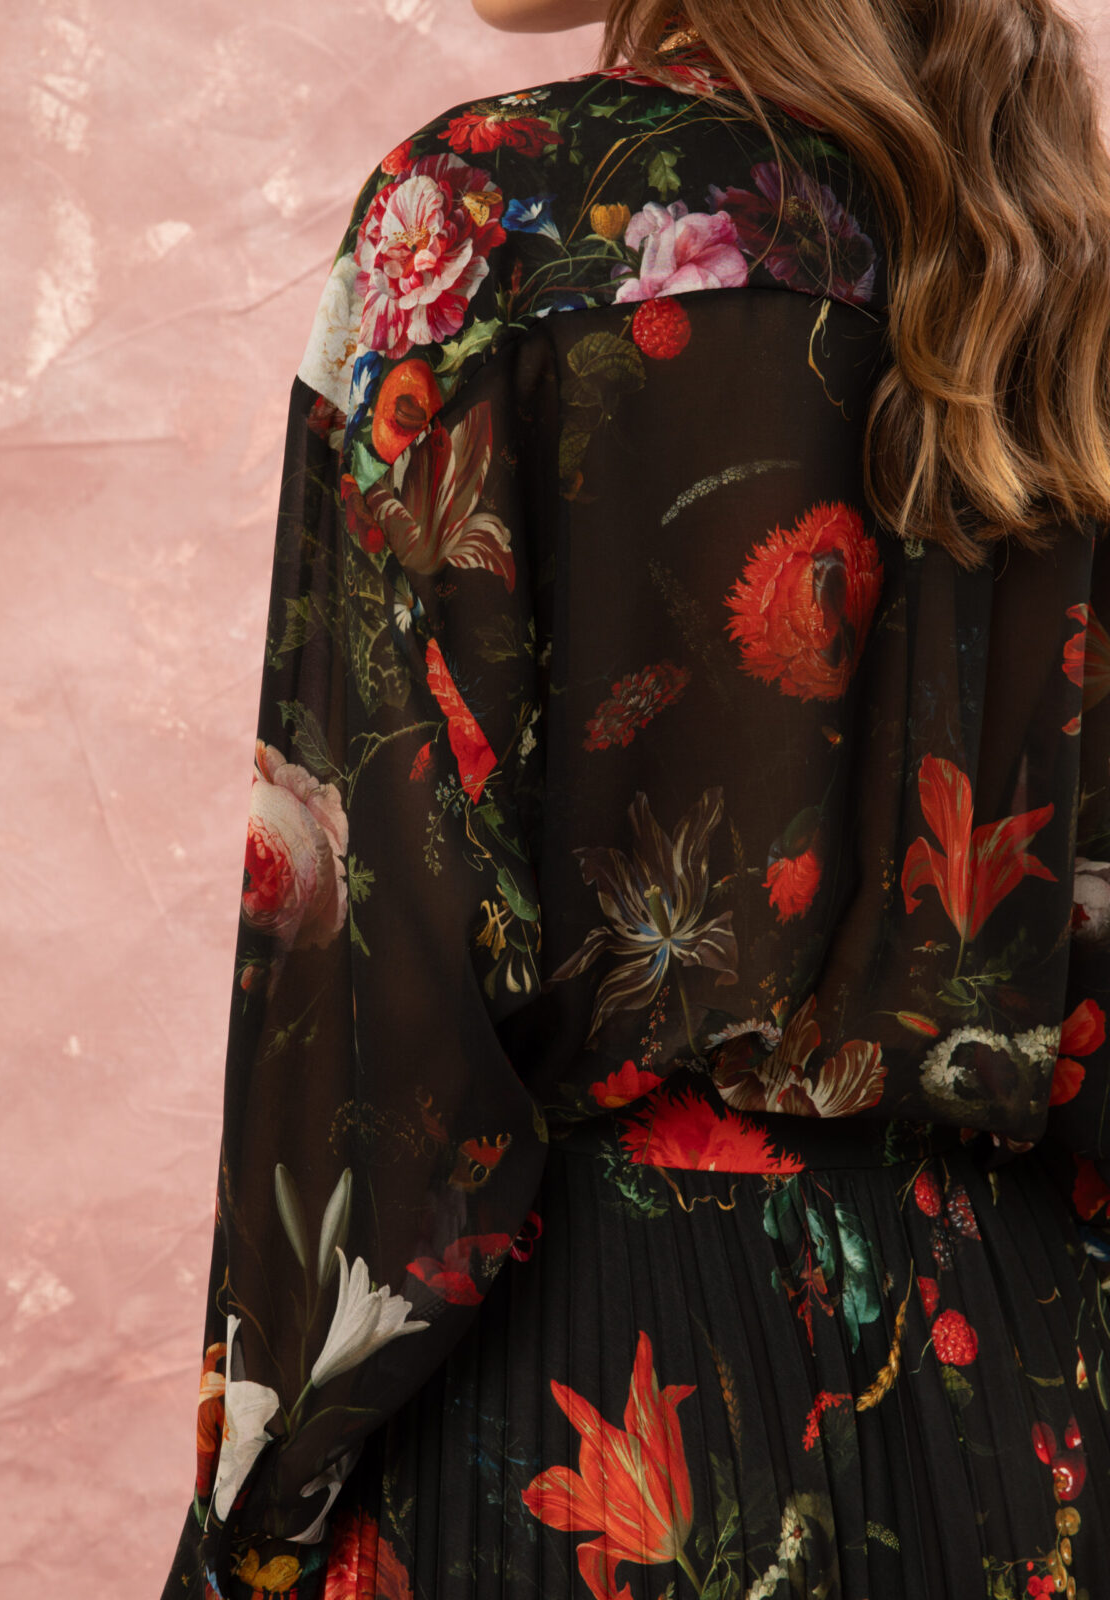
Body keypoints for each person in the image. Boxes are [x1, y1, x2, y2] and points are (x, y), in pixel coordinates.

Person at [158, 1, 1110, 1596]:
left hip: (595, 1415)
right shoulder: (1051, 264)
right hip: (1026, 1422)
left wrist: (254, 1515)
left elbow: (381, 1019)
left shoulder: (490, 219)